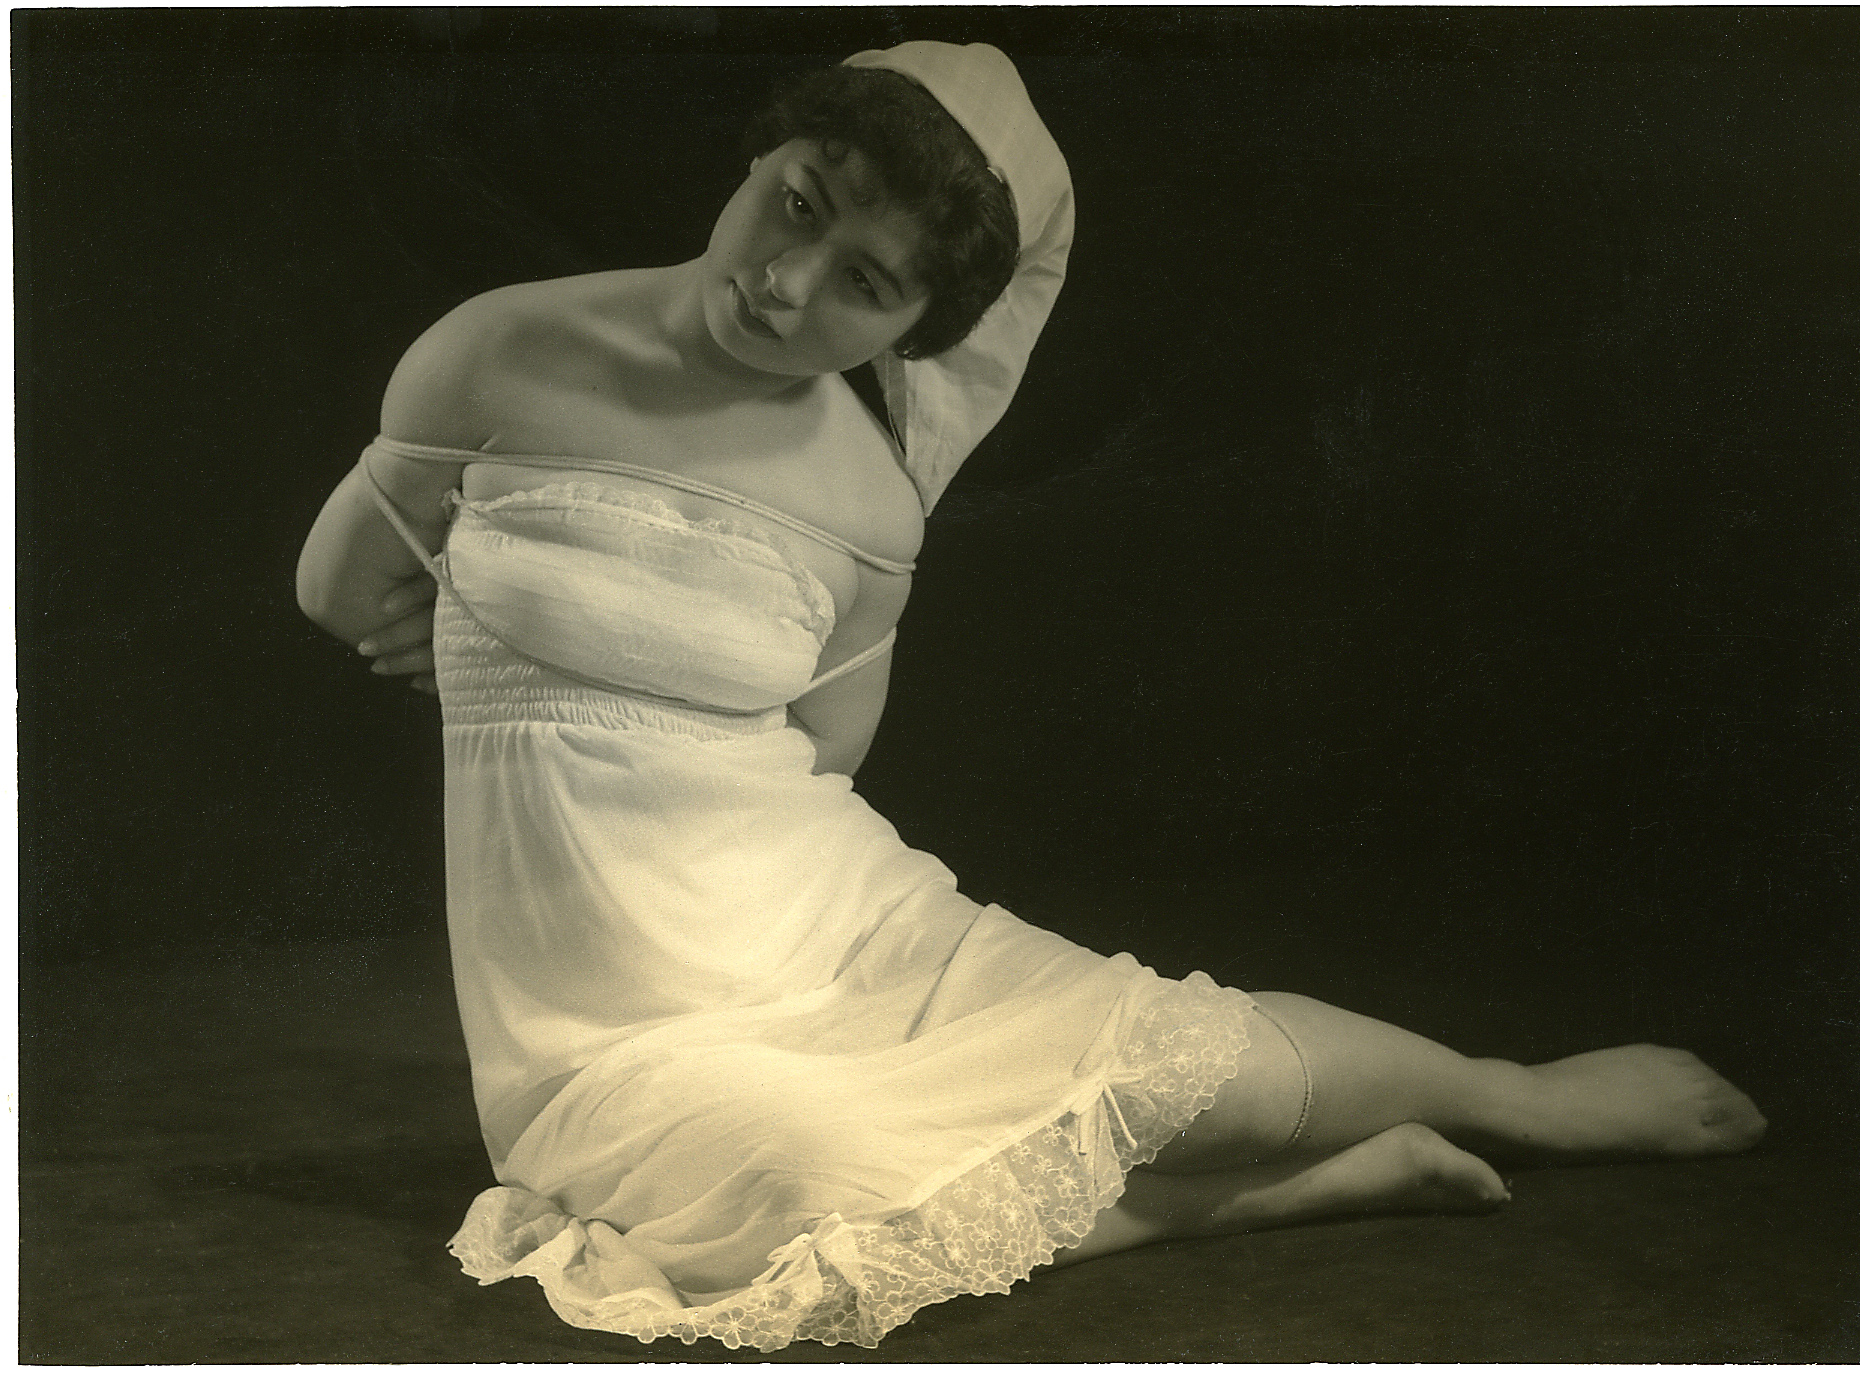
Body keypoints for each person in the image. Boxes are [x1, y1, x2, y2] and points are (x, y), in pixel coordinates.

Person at [297, 41, 1765, 1352]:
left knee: (1192, 1059)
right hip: (604, 1024)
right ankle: (1257, 1198)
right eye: (800, 204)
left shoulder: (864, 500)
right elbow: (336, 582)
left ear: (914, 330)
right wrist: (494, 642)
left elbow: (818, 758)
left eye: (867, 283)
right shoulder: (503, 348)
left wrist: (544, 641)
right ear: (764, 157)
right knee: (779, 1192)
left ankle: (1510, 1090)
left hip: (831, 928)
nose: (789, 282)